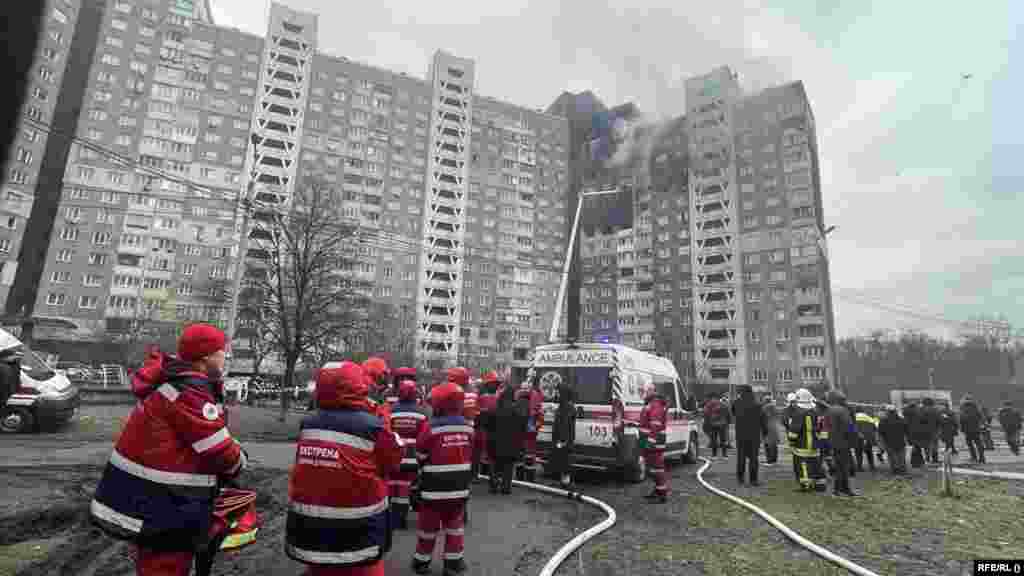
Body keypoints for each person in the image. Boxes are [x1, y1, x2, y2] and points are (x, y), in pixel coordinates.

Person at [91, 324, 247, 576]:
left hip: (151, 502)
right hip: (166, 507)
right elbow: (219, 451)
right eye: (223, 352)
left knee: (156, 564)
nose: (226, 357)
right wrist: (239, 459)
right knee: (165, 567)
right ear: (206, 357)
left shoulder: (175, 385)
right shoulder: (189, 393)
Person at [285, 361, 402, 576]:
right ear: (358, 385)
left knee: (321, 567)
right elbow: (392, 462)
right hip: (360, 527)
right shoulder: (372, 426)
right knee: (365, 568)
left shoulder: (308, 424)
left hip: (311, 525)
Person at [413, 382, 473, 576]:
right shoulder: (468, 427)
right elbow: (472, 453)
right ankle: (452, 564)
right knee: (455, 528)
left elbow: (420, 454)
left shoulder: (431, 427)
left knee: (428, 529)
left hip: (433, 490)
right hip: (459, 489)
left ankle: (421, 563)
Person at [388, 379, 428, 530]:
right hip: (412, 458)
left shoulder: (390, 411)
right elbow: (424, 437)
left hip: (395, 456)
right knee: (406, 487)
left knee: (394, 486)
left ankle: (394, 517)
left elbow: (386, 433)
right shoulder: (421, 413)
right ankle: (402, 517)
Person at [487, 383, 526, 494]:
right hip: (511, 443)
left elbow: (488, 424)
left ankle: (494, 486)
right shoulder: (516, 410)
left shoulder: (495, 409)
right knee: (508, 466)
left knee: (494, 464)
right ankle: (506, 487)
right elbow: (521, 426)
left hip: (495, 442)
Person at [786, 388, 827, 492]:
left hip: (802, 444)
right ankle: (820, 484)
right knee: (816, 463)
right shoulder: (816, 411)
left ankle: (806, 485)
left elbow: (794, 431)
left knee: (802, 464)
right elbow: (821, 427)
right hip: (816, 443)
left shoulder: (798, 413)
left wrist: (791, 442)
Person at [639, 382, 669, 502]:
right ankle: (658, 490)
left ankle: (662, 494)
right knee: (652, 469)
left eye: (644, 391)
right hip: (650, 441)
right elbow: (648, 422)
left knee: (657, 469)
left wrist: (650, 442)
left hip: (654, 443)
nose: (642, 394)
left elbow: (655, 424)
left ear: (651, 391)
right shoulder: (651, 403)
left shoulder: (655, 404)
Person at [732, 385, 766, 486]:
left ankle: (740, 478)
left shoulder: (736, 403)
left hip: (741, 434)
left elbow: (733, 413)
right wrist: (765, 431)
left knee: (741, 457)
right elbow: (763, 419)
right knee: (754, 458)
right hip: (754, 435)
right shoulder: (757, 404)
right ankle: (753, 479)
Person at [825, 390, 857, 497]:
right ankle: (842, 489)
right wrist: (854, 437)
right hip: (843, 442)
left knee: (839, 465)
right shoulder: (842, 410)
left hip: (833, 441)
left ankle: (840, 489)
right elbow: (849, 426)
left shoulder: (829, 410)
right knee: (843, 466)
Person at [517, 377, 545, 482]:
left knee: (528, 455)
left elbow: (540, 413)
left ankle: (528, 478)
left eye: (526, 388)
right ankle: (522, 478)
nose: (524, 390)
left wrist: (537, 425)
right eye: (523, 388)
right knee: (522, 455)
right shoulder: (518, 397)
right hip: (523, 431)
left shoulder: (535, 397)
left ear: (530, 388)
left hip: (529, 432)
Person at [474, 372, 501, 480]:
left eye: (495, 383)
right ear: (487, 384)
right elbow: (477, 411)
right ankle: (481, 473)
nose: (494, 385)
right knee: (481, 452)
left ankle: (486, 473)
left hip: (492, 428)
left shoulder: (498, 395)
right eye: (492, 383)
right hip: (482, 427)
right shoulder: (480, 396)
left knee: (488, 452)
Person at [550, 380, 576, 488]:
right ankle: (563, 481)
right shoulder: (563, 406)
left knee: (565, 461)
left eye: (558, 392)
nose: (556, 394)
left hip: (564, 440)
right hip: (561, 440)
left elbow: (565, 426)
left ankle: (566, 483)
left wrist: (562, 442)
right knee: (561, 460)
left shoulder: (568, 408)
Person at [877, 404, 909, 475]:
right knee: (901, 456)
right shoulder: (902, 420)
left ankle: (895, 469)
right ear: (895, 411)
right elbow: (907, 430)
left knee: (892, 457)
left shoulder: (883, 421)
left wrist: (881, 443)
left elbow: (880, 433)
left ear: (887, 412)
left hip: (889, 442)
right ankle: (902, 469)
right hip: (900, 441)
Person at [959, 394, 985, 464]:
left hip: (967, 429)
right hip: (976, 428)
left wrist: (962, 428)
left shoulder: (963, 407)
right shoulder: (975, 407)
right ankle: (982, 458)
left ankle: (974, 457)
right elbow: (981, 417)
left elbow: (961, 419)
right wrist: (982, 424)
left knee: (970, 444)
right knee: (978, 443)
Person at [703, 393, 728, 458]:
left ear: (712, 398)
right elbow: (727, 413)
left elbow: (706, 414)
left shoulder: (708, 405)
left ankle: (714, 455)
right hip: (722, 424)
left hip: (713, 424)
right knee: (723, 440)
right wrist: (727, 422)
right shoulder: (722, 404)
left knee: (714, 440)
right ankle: (724, 455)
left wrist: (707, 423)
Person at [853, 407, 878, 472]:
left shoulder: (853, 418)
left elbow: (851, 427)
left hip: (857, 438)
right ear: (863, 411)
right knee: (869, 452)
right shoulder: (868, 417)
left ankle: (859, 467)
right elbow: (875, 426)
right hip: (868, 438)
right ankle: (872, 466)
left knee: (858, 453)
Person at [761, 394, 780, 465]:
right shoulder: (774, 407)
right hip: (775, 427)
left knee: (768, 445)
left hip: (767, 427)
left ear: (765, 401)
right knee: (774, 445)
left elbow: (762, 417)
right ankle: (774, 460)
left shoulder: (765, 408)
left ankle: (769, 461)